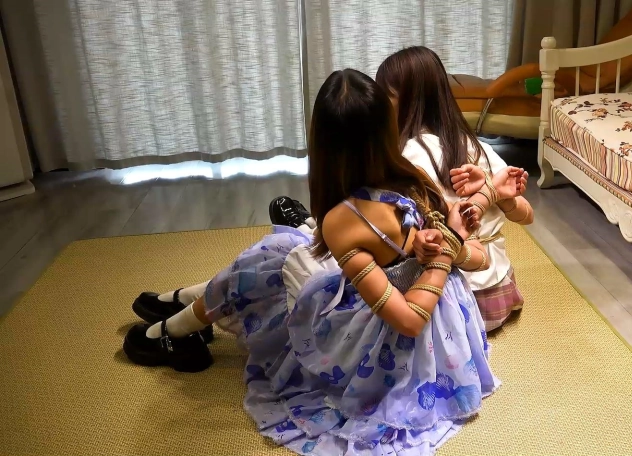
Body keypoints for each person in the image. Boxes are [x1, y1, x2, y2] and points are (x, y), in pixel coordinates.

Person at [123, 69, 526, 454]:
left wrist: (443, 250)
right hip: (442, 317)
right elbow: (474, 255)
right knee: (276, 256)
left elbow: (408, 320)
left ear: (325, 145)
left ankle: (174, 327)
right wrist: (450, 239)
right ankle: (181, 309)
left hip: (393, 336)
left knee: (266, 263)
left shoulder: (343, 219)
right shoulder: (413, 176)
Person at [376, 46, 534, 331]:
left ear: (408, 101)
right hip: (500, 291)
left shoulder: (405, 157)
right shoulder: (474, 144)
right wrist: (495, 193)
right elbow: (527, 215)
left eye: (386, 96)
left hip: (455, 302)